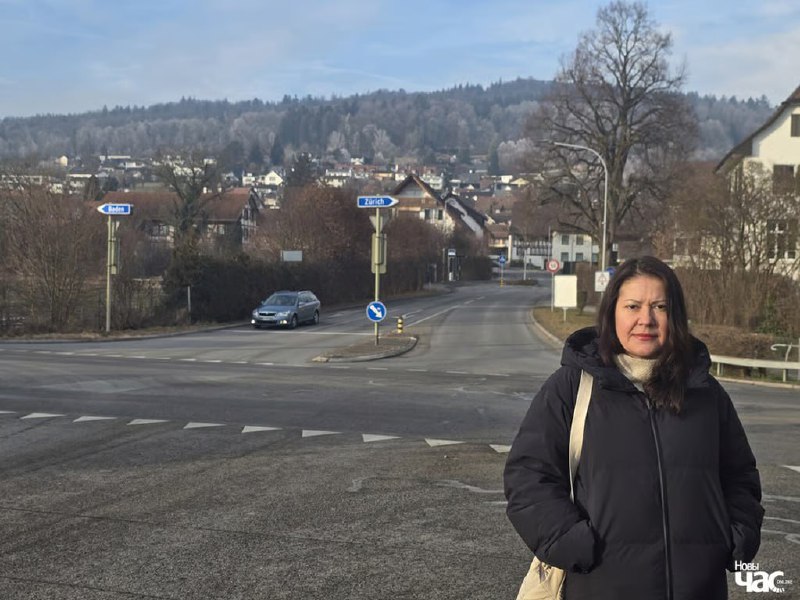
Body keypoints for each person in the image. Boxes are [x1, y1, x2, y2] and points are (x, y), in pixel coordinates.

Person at [504, 256, 764, 600]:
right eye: (632, 306)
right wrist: (570, 542)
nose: (646, 319)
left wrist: (736, 536)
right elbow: (528, 476)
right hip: (600, 586)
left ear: (676, 316)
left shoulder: (705, 393)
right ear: (612, 313)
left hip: (700, 589)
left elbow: (740, 475)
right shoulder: (572, 387)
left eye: (660, 307)